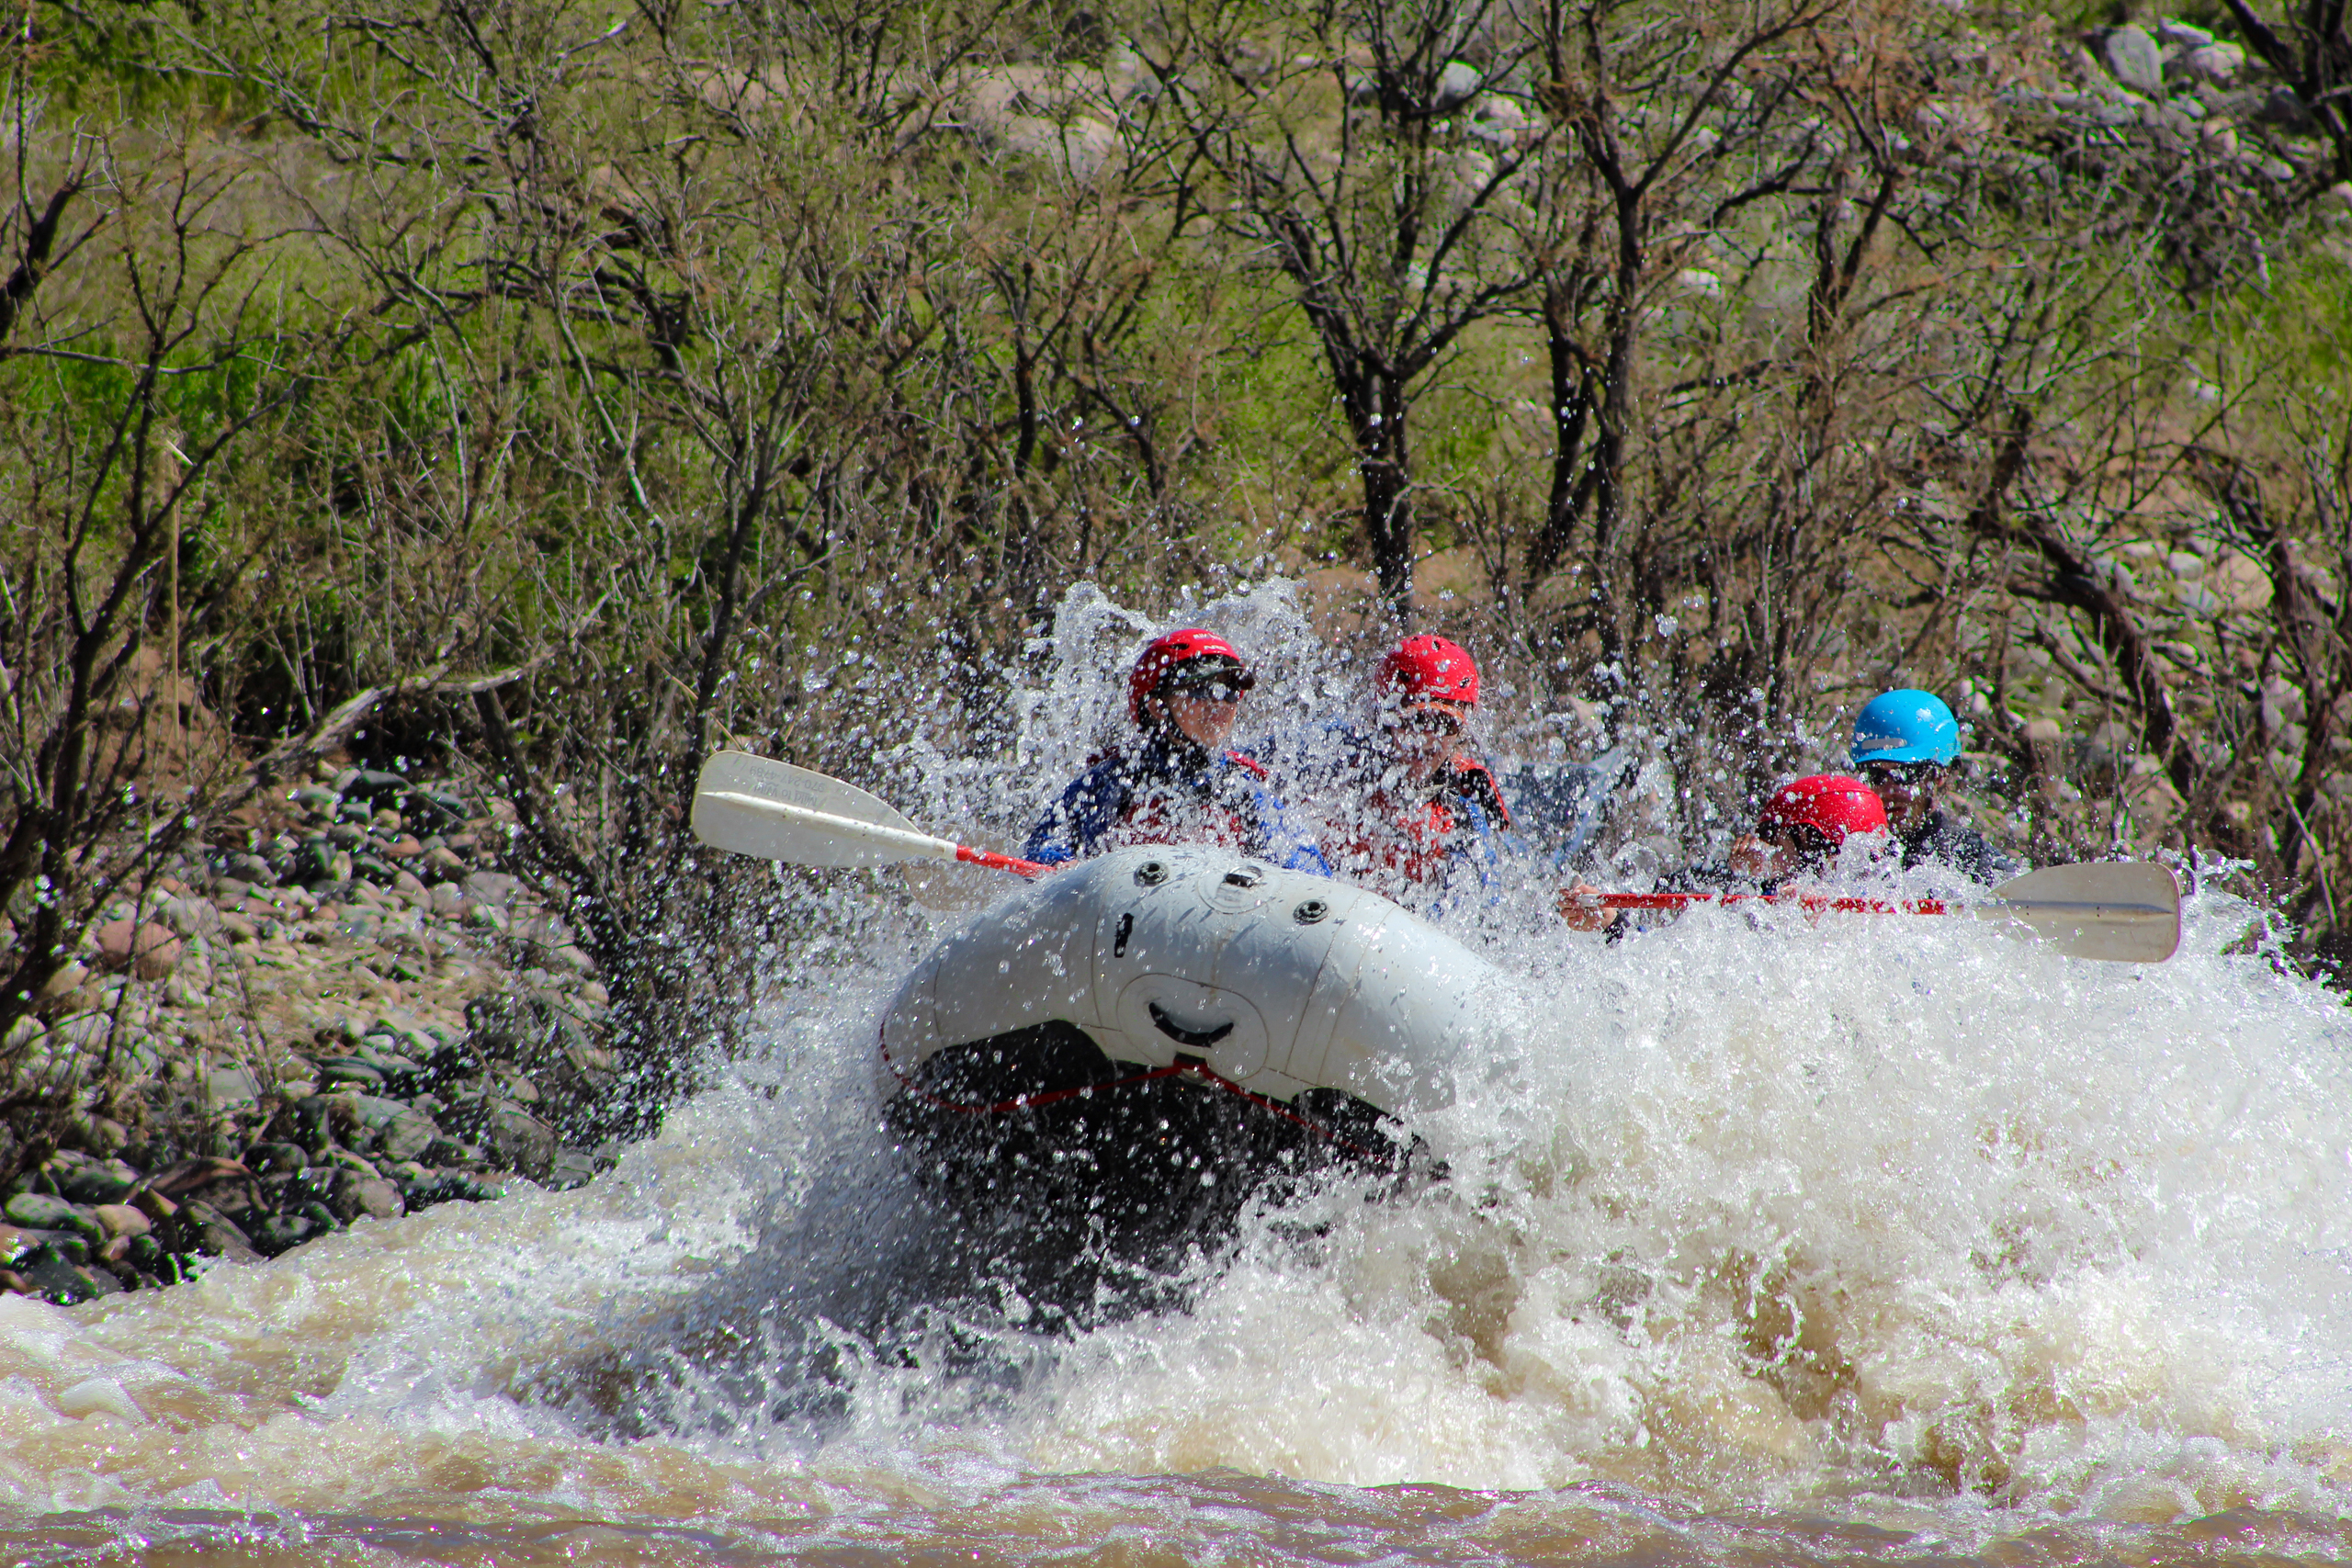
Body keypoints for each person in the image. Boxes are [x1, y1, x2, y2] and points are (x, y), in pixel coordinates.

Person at [1023, 628, 1328, 872]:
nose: (1220, 704)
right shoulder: (1115, 782)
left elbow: (1306, 870)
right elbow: (1045, 847)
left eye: (1230, 692)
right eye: (1203, 690)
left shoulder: (1242, 789)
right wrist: (1060, 865)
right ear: (1156, 705)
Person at [1302, 635, 1514, 903]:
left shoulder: (1467, 799)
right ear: (1384, 718)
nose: (1426, 738)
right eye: (1416, 719)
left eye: (1443, 724)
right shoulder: (1336, 768)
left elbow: (1488, 902)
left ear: (1461, 732)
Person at [1559, 774, 1890, 932]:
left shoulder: (1862, 923)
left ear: (1807, 839)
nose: (1761, 847)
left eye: (1772, 836)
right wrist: (1613, 922)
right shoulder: (1760, 901)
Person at [1849, 689, 2021, 884]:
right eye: (1876, 776)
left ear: (1941, 774)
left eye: (1907, 774)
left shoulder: (1974, 864)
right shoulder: (1845, 853)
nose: (1889, 791)